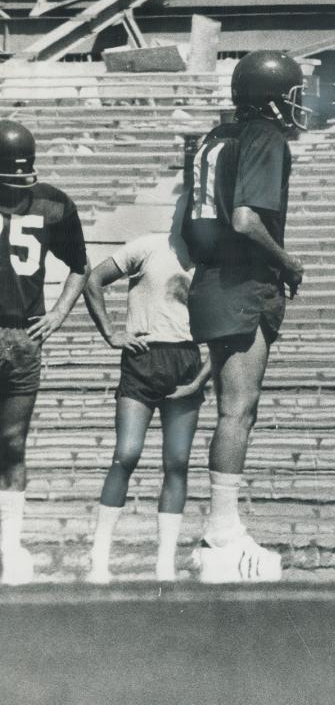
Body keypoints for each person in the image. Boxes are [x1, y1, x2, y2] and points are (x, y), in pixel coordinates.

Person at [182, 50, 308, 583]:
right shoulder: (265, 136)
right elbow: (244, 218)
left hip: (213, 279)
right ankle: (223, 530)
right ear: (273, 96)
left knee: (233, 409)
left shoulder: (212, 137)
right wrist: (288, 261)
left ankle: (220, 529)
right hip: (242, 281)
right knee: (239, 411)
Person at [84, 194, 211, 584]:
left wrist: (201, 378)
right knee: (126, 453)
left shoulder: (213, 261)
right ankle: (99, 561)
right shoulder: (149, 246)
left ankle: (164, 564)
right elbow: (93, 279)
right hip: (142, 358)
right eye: (182, 209)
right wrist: (111, 333)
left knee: (176, 462)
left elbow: (227, 335)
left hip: (185, 362)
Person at [0, 120, 89, 585]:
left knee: (13, 444)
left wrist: (57, 314)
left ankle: (9, 548)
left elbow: (79, 265)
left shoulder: (53, 203)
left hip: (21, 336)